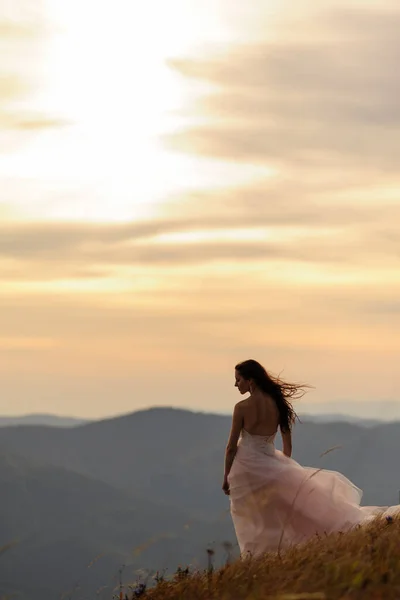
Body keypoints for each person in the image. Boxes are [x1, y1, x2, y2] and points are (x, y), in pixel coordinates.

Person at [223, 359, 400, 557]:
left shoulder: (241, 407)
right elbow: (287, 446)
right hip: (272, 463)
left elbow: (231, 448)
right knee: (286, 511)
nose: (236, 384)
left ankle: (259, 556)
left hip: (245, 469)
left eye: (238, 380)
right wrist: (280, 467)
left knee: (255, 517)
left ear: (251, 381)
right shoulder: (277, 403)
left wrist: (225, 477)